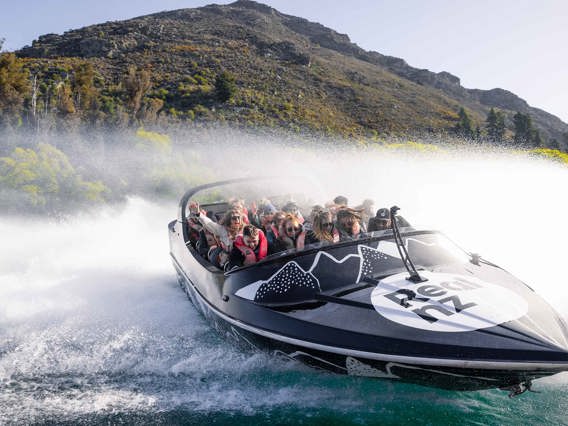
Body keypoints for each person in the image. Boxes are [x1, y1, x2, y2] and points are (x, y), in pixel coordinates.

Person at [188, 201, 245, 267]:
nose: (237, 220)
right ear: (229, 220)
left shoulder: (245, 229)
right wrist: (198, 214)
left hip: (242, 254)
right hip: (227, 256)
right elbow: (209, 223)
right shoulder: (223, 229)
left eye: (238, 218)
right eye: (234, 218)